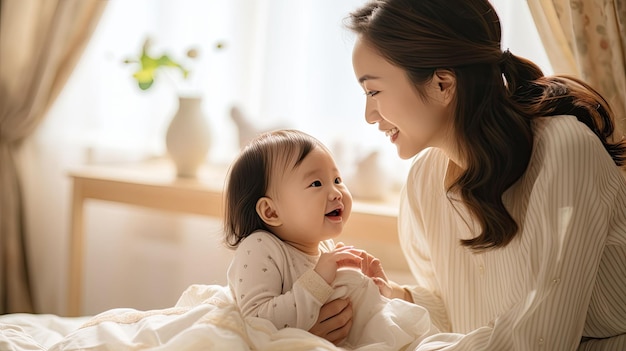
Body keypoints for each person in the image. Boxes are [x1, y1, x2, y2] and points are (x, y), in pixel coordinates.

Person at [309, 0, 626, 350]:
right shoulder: (423, 181)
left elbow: (540, 337)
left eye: (374, 91)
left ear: (443, 84)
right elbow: (461, 314)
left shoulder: (565, 151)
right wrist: (393, 296)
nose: (369, 114)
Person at [223, 129, 438, 349]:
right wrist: (319, 280)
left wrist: (372, 290)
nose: (336, 192)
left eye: (337, 179)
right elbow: (256, 323)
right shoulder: (260, 247)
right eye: (316, 184)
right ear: (271, 212)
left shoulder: (323, 247)